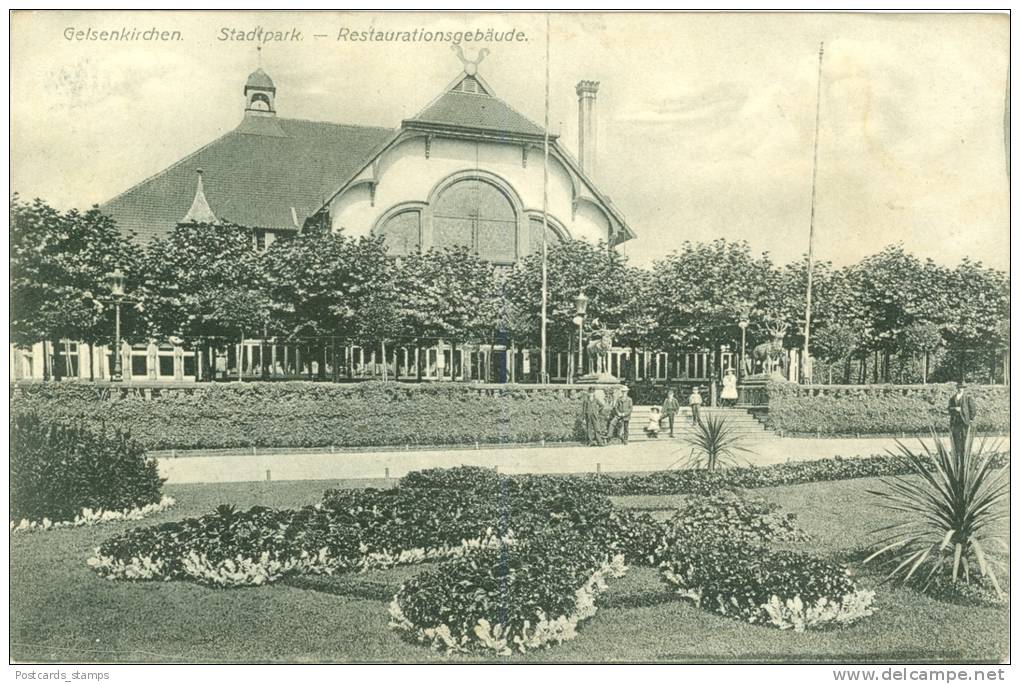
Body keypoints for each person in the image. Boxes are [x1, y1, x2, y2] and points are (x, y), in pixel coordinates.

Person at [947, 381, 977, 456]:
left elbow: (972, 409)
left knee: (964, 437)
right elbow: (949, 409)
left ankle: (964, 453)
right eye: (959, 387)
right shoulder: (953, 398)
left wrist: (970, 419)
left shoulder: (967, 398)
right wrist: (954, 409)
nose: (961, 389)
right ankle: (957, 452)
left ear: (964, 389)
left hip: (964, 421)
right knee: (956, 436)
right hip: (955, 420)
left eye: (962, 388)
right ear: (957, 388)